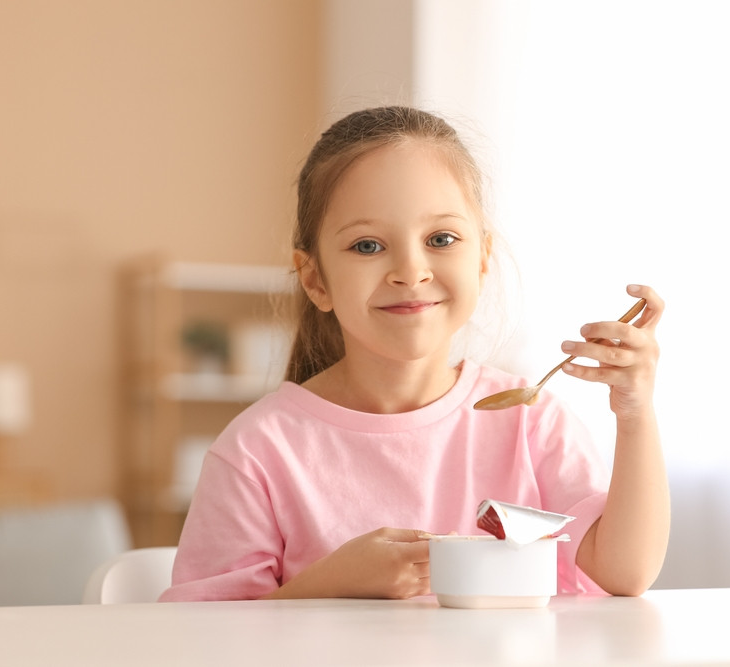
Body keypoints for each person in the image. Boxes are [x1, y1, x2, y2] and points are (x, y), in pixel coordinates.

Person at [159, 106, 669, 602]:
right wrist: (329, 584)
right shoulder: (256, 450)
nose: (411, 270)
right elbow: (203, 639)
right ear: (315, 279)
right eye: (366, 246)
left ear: (482, 258)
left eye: (441, 239)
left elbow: (624, 575)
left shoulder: (528, 422)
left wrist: (635, 412)